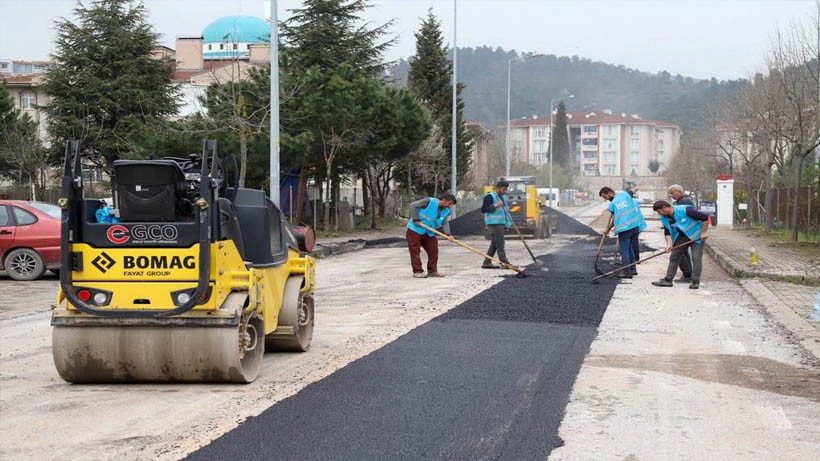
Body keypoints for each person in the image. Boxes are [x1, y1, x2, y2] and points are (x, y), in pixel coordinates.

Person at [651, 200, 710, 289]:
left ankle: (695, 282)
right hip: (683, 236)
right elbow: (667, 232)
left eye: (659, 211)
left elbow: (705, 217)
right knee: (674, 256)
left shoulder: (686, 210)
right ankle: (668, 280)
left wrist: (704, 232)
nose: (659, 214)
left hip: (697, 236)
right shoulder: (664, 218)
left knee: (696, 258)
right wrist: (669, 244)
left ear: (664, 207)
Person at [406, 193, 456, 278]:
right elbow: (412, 205)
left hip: (429, 232)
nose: (449, 206)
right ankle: (417, 271)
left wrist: (448, 234)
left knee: (433, 250)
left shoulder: (446, 211)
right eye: (449, 203)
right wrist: (415, 219)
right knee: (415, 251)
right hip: (415, 230)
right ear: (444, 199)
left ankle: (432, 271)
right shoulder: (429, 201)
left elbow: (445, 223)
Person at [600, 186, 646, 278]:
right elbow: (634, 189)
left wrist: (608, 229)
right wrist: (637, 187)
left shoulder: (613, 204)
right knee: (630, 249)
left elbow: (614, 219)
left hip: (625, 229)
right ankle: (633, 270)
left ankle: (626, 272)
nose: (606, 199)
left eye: (605, 197)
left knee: (624, 250)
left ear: (610, 193)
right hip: (635, 226)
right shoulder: (626, 194)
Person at [481, 180, 513, 269]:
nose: (505, 191)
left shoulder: (502, 198)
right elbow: (483, 209)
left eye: (506, 190)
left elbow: (505, 212)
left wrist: (507, 224)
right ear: (498, 188)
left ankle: (487, 262)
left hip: (500, 224)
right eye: (503, 189)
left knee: (495, 243)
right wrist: (496, 205)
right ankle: (504, 262)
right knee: (500, 243)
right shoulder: (489, 197)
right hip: (493, 224)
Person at [667, 184, 694, 283]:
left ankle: (687, 275)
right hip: (685, 231)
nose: (671, 195)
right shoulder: (682, 200)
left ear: (678, 192)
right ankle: (688, 274)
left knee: (678, 253)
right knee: (683, 253)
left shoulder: (684, 202)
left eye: (672, 193)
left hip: (686, 231)